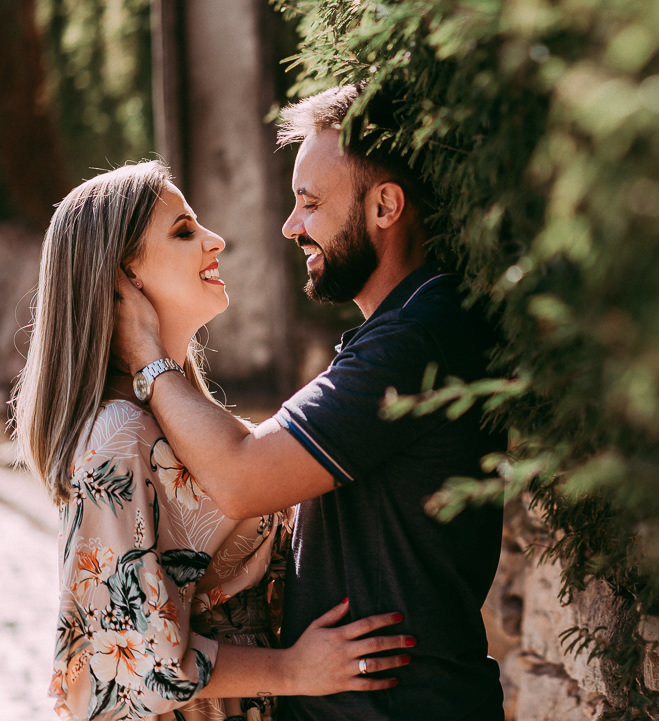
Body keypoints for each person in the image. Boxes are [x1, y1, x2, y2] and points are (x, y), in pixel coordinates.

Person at [112, 85, 506, 721]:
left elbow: (243, 475)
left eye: (311, 203)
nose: (292, 226)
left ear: (385, 206)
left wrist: (146, 357)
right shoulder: (400, 330)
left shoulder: (417, 341)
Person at [10, 161, 414, 721]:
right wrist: (295, 670)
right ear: (124, 278)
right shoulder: (117, 437)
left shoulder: (179, 421)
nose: (215, 239)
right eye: (183, 231)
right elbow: (124, 658)